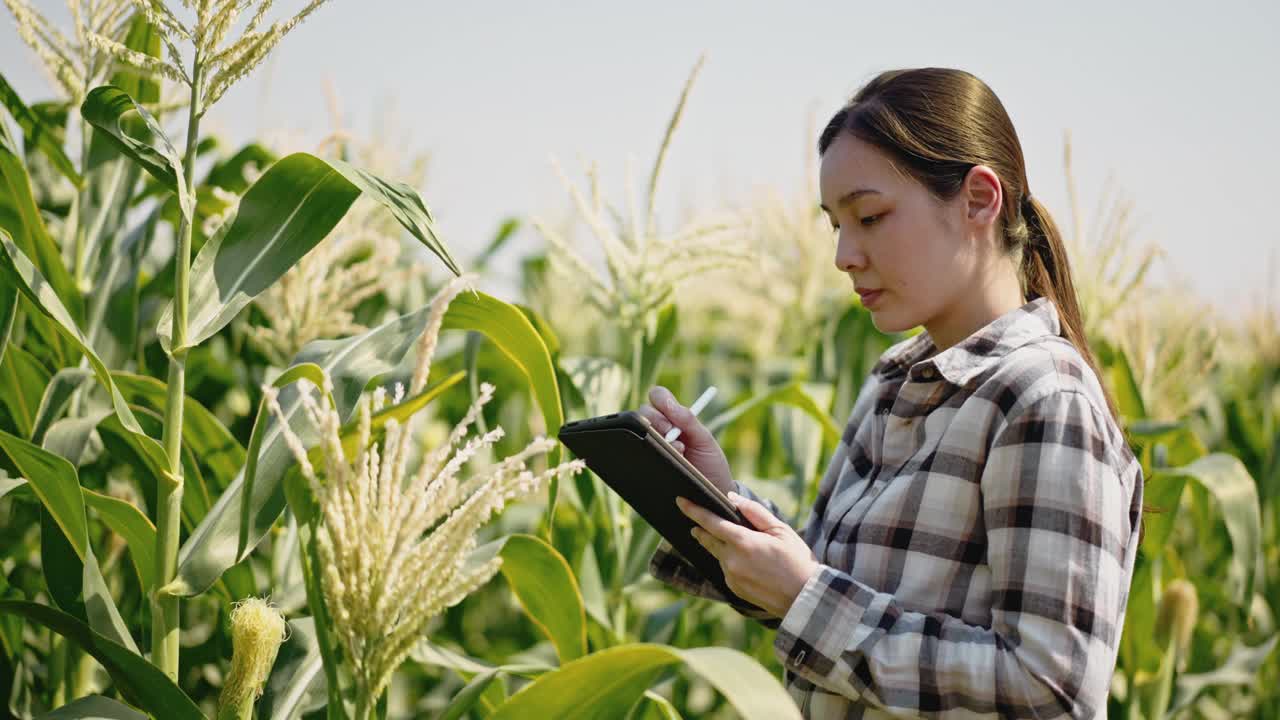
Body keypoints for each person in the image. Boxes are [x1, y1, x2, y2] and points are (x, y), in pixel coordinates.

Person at [640, 67, 1144, 719]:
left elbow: (1050, 688)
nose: (845, 255)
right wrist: (718, 499)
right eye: (835, 225)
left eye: (871, 216)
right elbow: (827, 584)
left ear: (979, 200)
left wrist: (806, 601)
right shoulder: (892, 384)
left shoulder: (1041, 400)